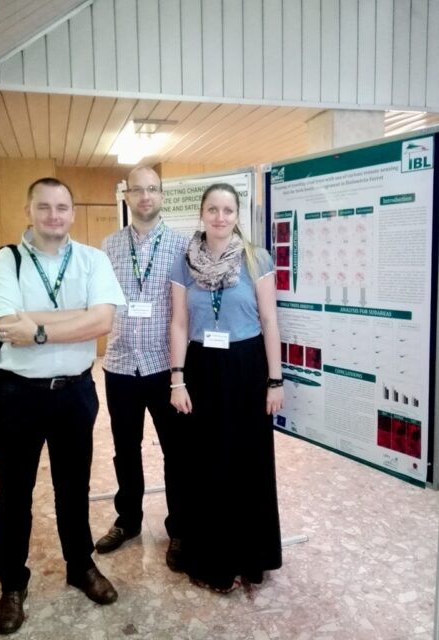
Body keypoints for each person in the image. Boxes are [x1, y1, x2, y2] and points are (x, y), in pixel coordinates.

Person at [0, 177, 126, 635]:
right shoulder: (7, 260)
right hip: (17, 394)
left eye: (62, 207)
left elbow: (103, 320)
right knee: (15, 494)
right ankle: (12, 583)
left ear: (72, 213)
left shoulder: (92, 260)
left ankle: (79, 566)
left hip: (75, 393)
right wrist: (76, 316)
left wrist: (39, 328)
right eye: (43, 206)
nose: (53, 215)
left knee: (73, 487)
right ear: (28, 210)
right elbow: (7, 325)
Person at [170, 183, 284, 593]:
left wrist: (275, 380)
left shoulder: (257, 258)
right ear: (201, 214)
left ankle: (250, 557)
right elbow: (179, 323)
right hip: (202, 369)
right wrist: (177, 379)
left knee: (248, 463)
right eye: (213, 210)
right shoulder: (185, 262)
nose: (220, 217)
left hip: (247, 367)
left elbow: (269, 321)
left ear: (238, 216)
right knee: (206, 464)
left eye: (228, 210)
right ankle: (212, 558)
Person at [95, 166, 189, 570]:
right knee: (125, 449)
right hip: (119, 364)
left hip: (165, 366)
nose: (145, 196)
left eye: (152, 189)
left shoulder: (183, 245)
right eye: (138, 190)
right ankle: (128, 520)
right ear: (126, 196)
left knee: (176, 452)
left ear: (162, 195)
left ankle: (180, 527)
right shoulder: (109, 245)